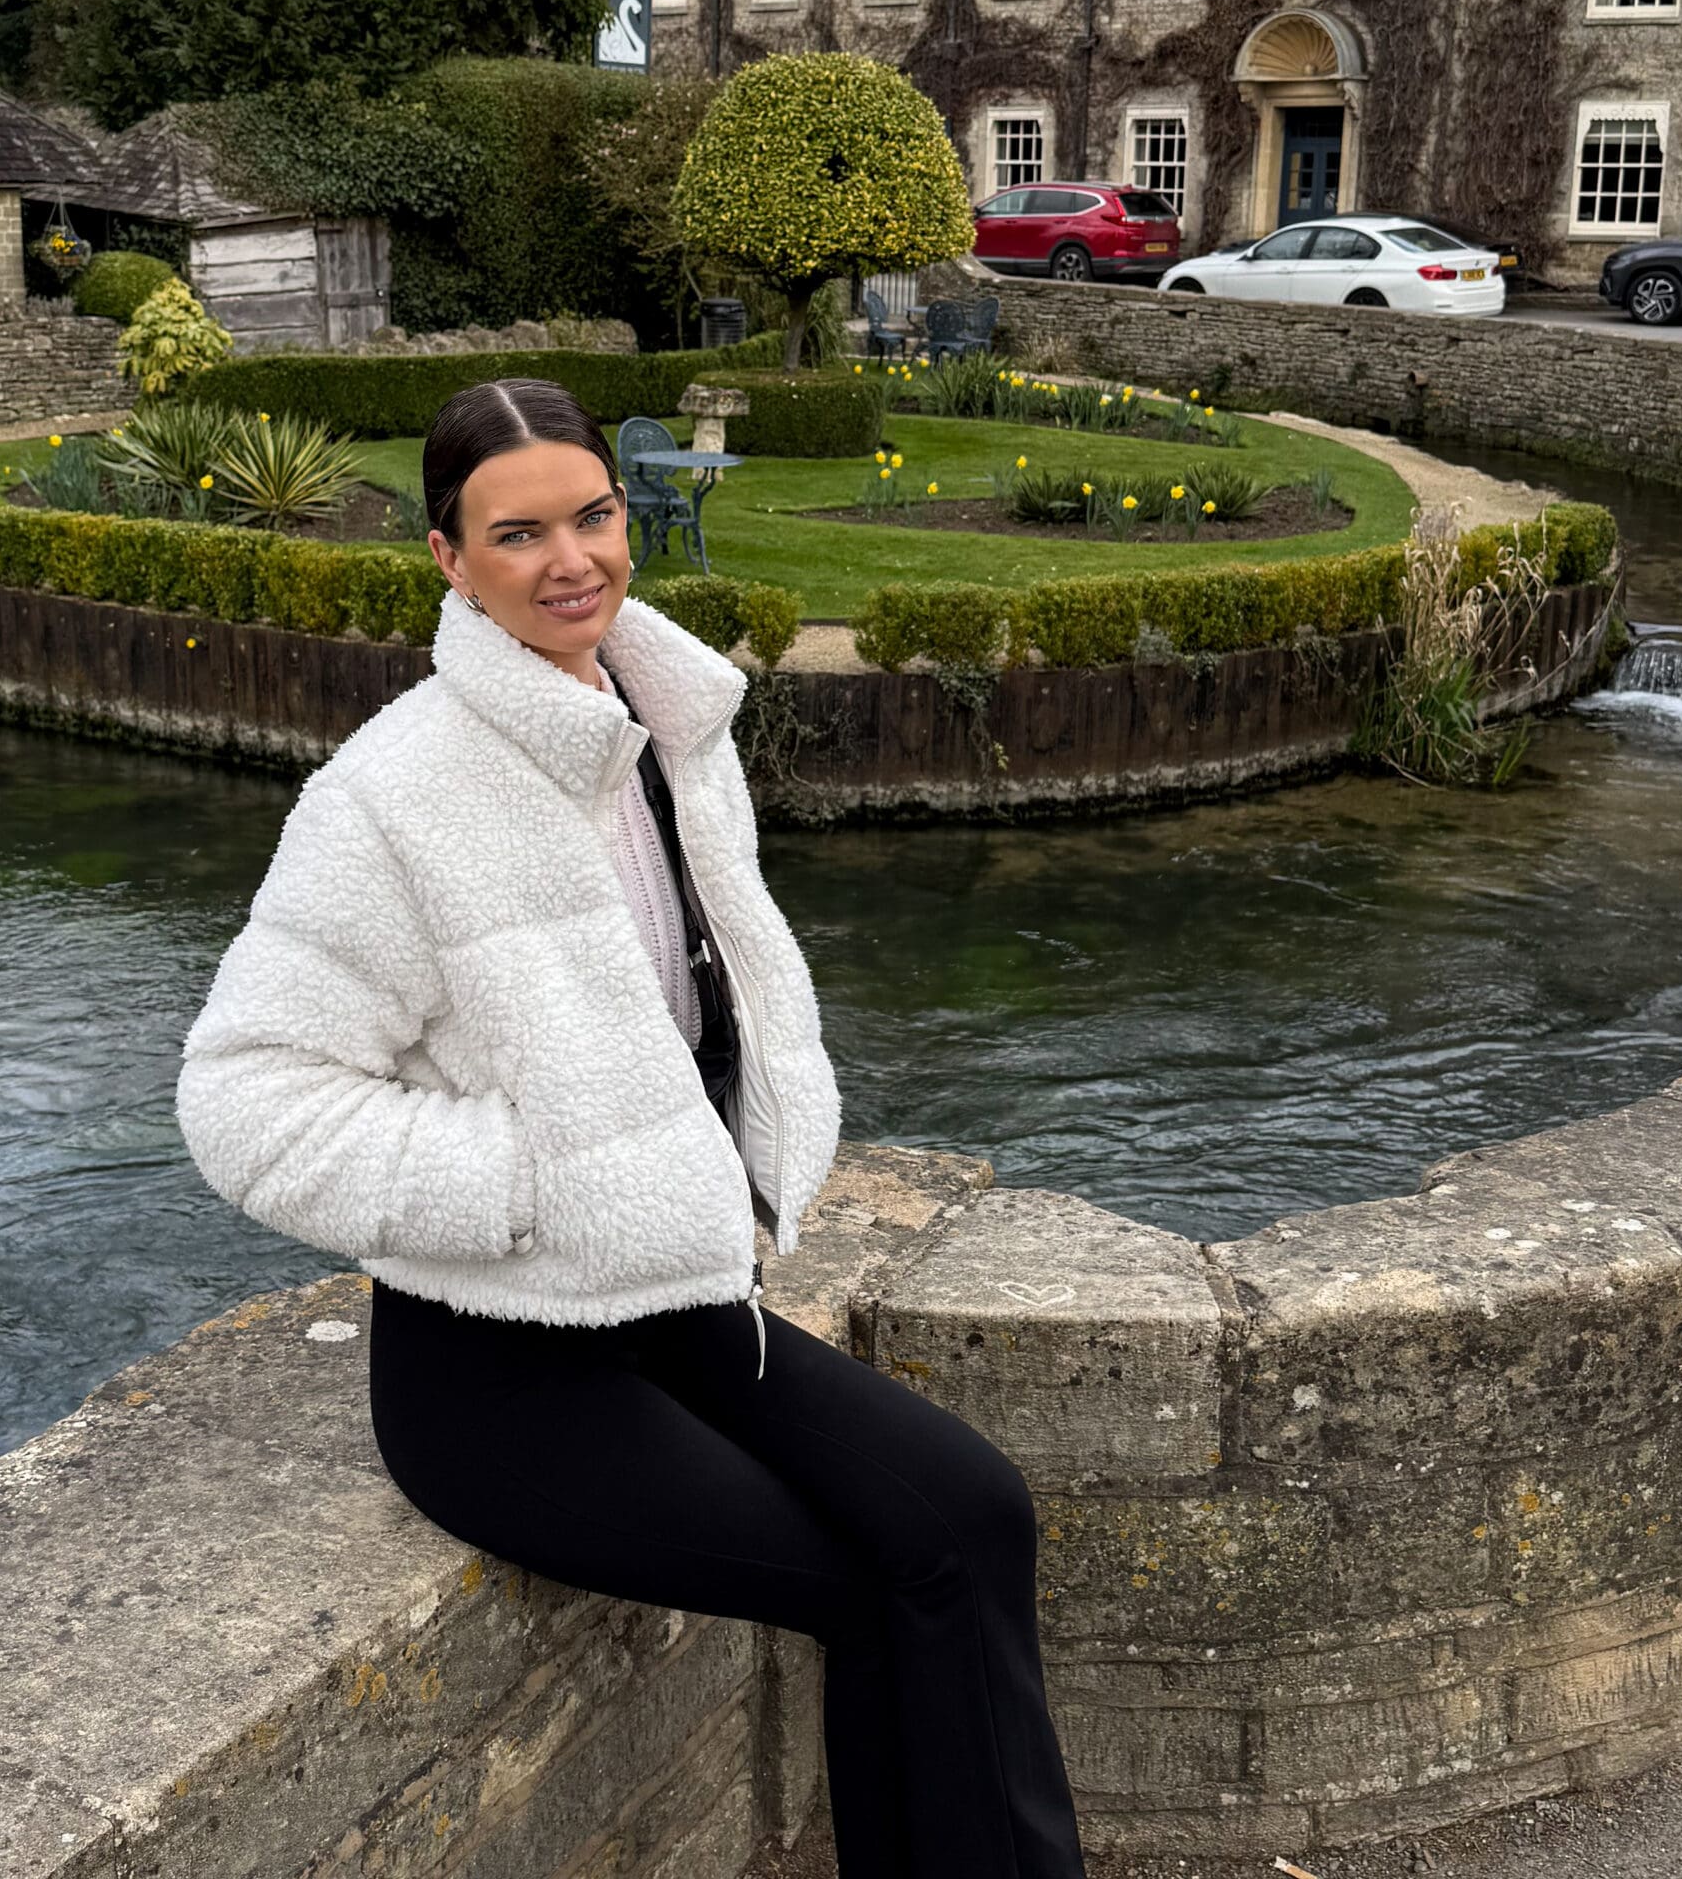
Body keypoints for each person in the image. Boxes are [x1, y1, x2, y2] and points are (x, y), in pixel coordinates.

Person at [174, 377, 1087, 1879]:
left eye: (592, 515)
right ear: (446, 561)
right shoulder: (390, 793)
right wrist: (537, 1180)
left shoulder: (667, 719)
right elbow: (242, 1098)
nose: (571, 559)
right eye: (515, 532)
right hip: (497, 1364)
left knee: (970, 1515)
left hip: (673, 1310)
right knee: (863, 1578)